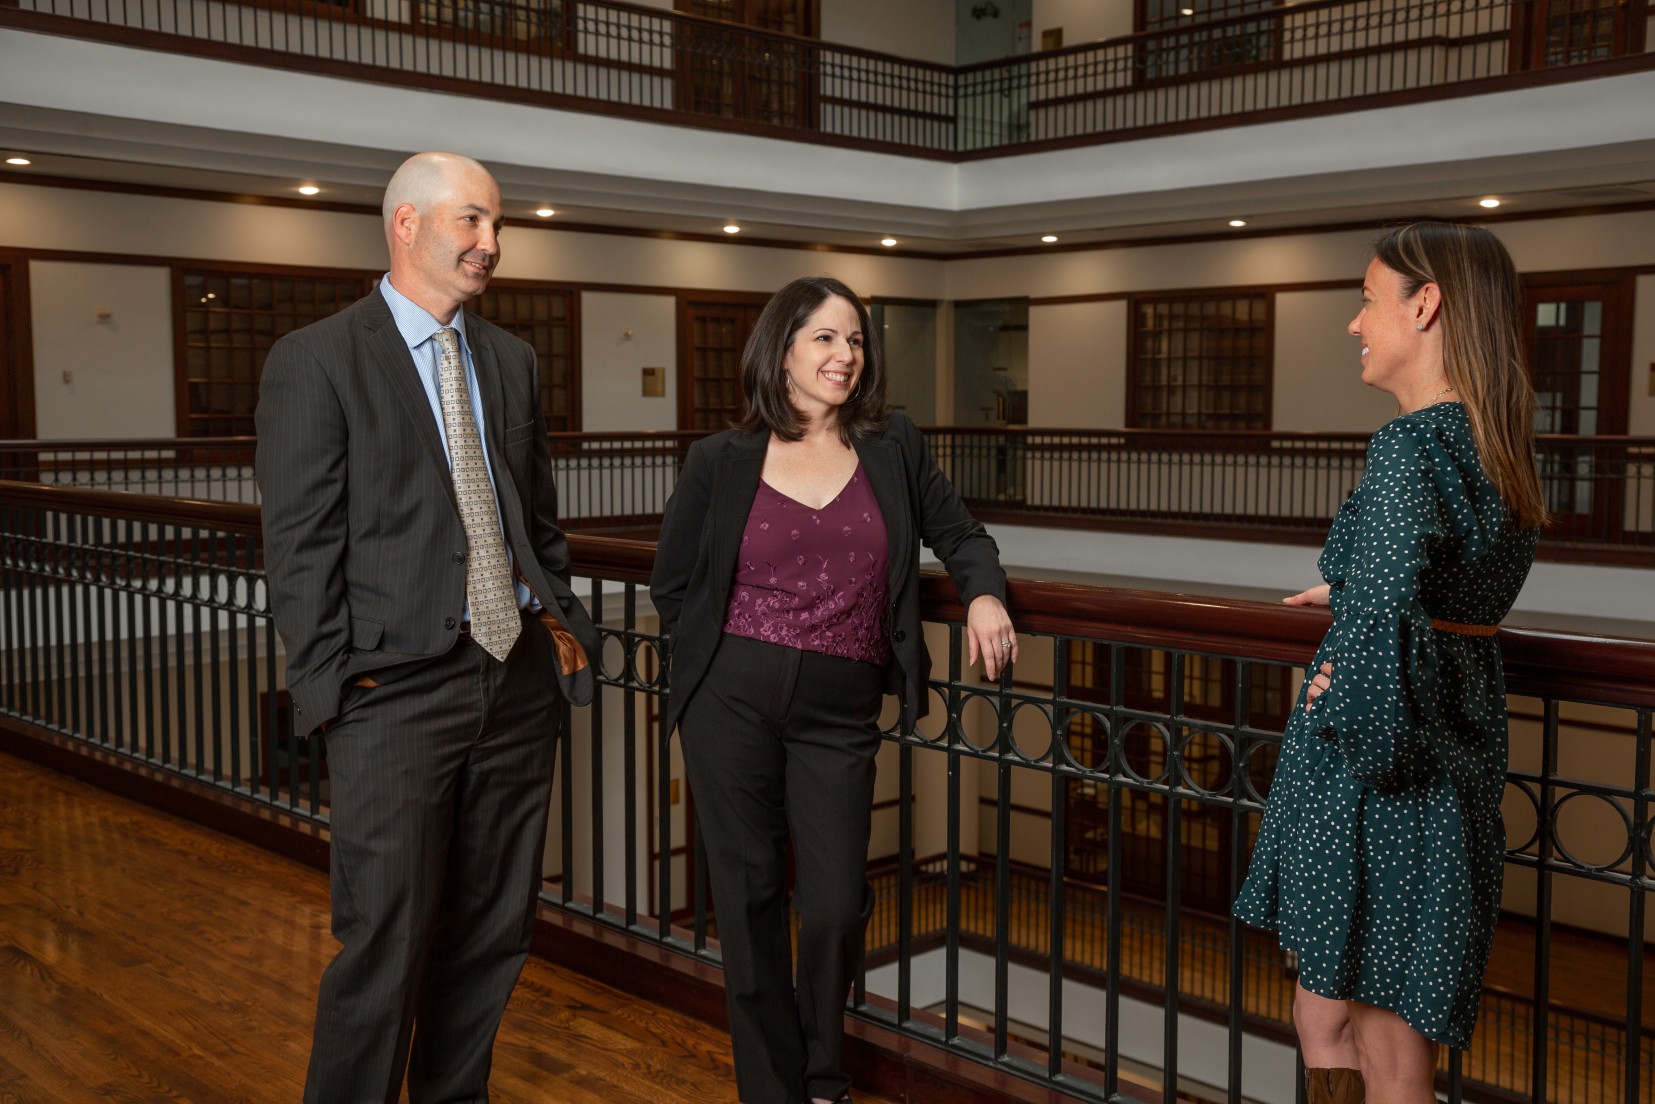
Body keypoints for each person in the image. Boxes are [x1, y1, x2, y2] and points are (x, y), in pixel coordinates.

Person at [255, 150, 599, 1104]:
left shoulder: (511, 360)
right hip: (392, 694)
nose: (491, 242)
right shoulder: (317, 359)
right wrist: (334, 693)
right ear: (405, 224)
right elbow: (298, 548)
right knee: (385, 943)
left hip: (515, 679)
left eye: (496, 224)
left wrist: (558, 622)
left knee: (492, 934)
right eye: (471, 220)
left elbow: (535, 520)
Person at [650, 275, 1017, 1104]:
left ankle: (822, 1069)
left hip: (840, 707)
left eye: (854, 340)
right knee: (747, 899)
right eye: (824, 337)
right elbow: (674, 586)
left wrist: (984, 593)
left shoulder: (893, 445)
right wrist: (722, 664)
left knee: (834, 904)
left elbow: (959, 533)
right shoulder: (718, 460)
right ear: (780, 350)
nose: (844, 355)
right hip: (729, 701)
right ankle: (776, 1088)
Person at [1233, 222, 1545, 1104]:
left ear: (1425, 304)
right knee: (1330, 1018)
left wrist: (1341, 693)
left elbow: (1390, 629)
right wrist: (1361, 591)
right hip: (1449, 750)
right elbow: (1450, 586)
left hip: (1384, 774)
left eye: (1367, 300)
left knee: (1384, 1048)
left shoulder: (1410, 445)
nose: (1354, 322)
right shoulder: (1491, 441)